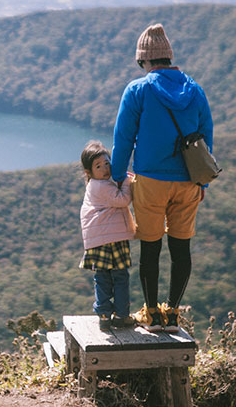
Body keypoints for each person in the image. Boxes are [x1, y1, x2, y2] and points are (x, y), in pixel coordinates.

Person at [110, 23, 214, 333]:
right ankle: (173, 313)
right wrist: (202, 182)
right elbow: (205, 138)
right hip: (188, 182)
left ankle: (152, 314)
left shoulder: (138, 90)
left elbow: (124, 138)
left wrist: (116, 176)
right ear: (168, 58)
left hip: (150, 181)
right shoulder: (194, 90)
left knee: (151, 247)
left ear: (144, 60)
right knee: (181, 248)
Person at [79, 140, 136, 331]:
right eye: (98, 166)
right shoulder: (100, 186)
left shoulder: (96, 185)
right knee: (120, 276)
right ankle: (121, 315)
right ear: (89, 172)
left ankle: (104, 315)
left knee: (102, 277)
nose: (104, 168)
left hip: (99, 240)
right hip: (112, 239)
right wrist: (127, 182)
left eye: (106, 163)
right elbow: (123, 200)